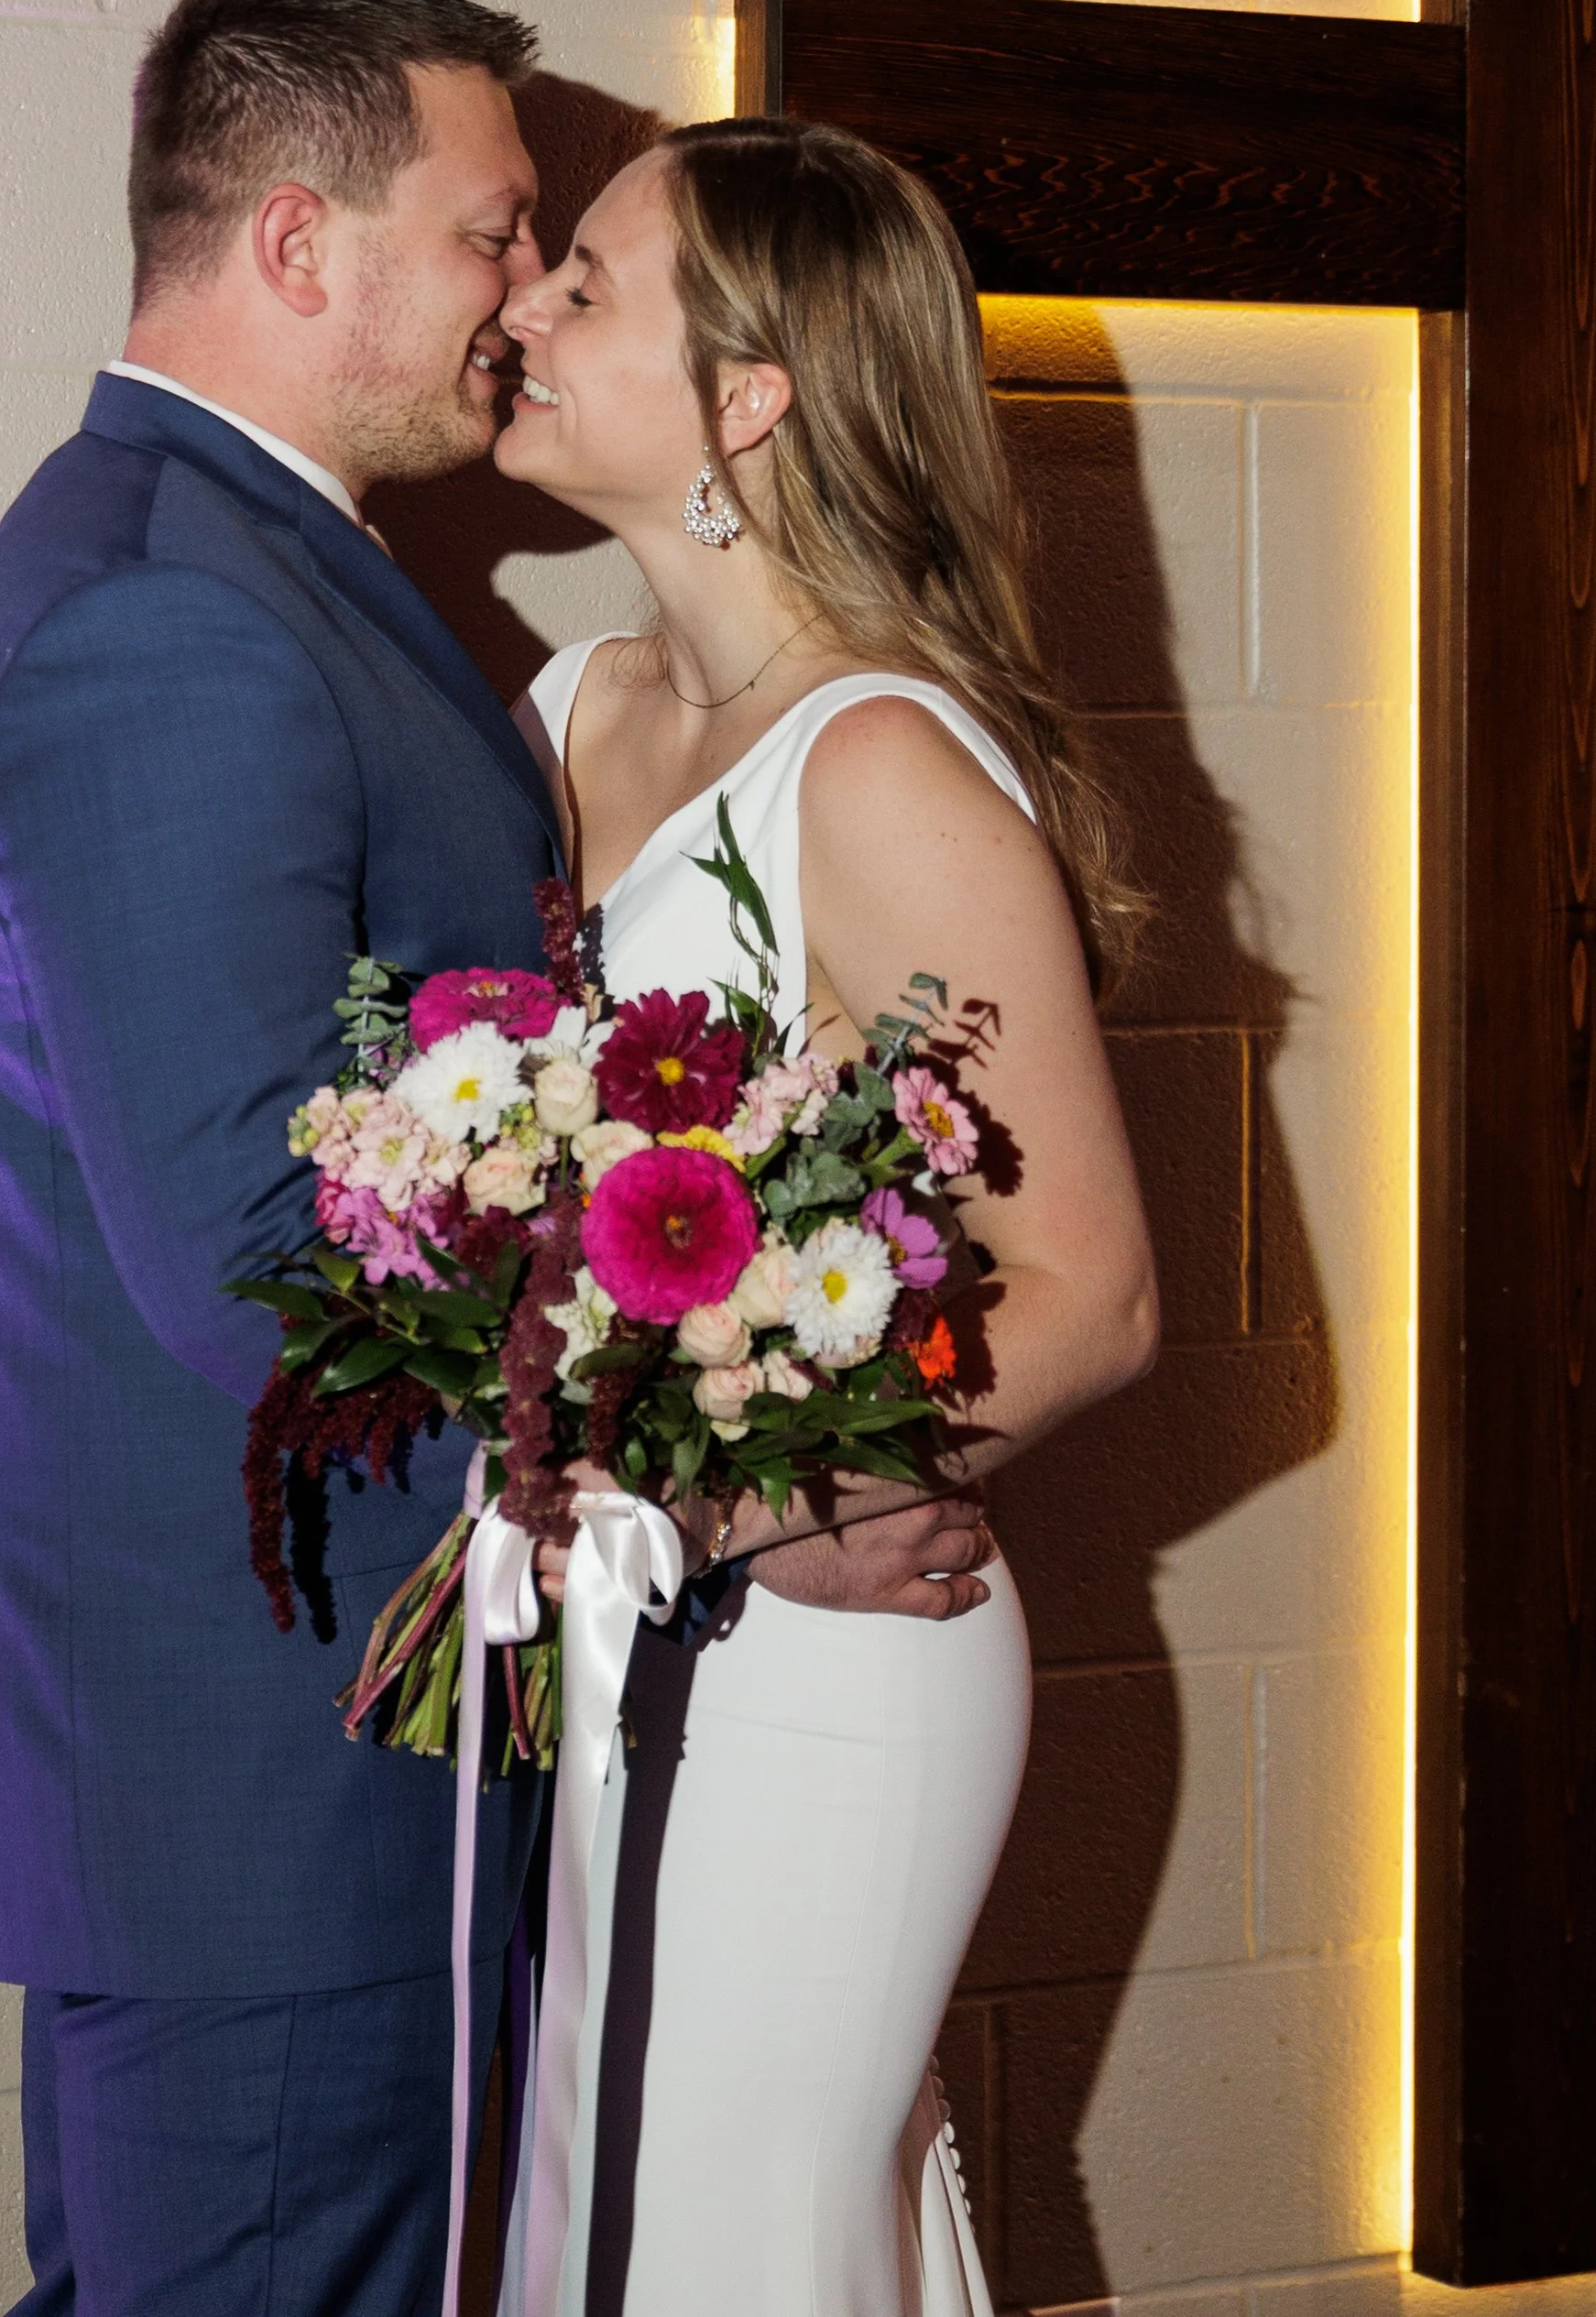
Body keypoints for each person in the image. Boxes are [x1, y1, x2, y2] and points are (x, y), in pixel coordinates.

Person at [0, 0, 987, 2317]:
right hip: (267, 1778)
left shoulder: (218, 568)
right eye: (494, 231)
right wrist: (717, 1502)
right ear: (302, 246)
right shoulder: (180, 622)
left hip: (244, 1759)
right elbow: (260, 1246)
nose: (521, 291)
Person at [494, 113, 1162, 2317]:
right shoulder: (562, 711)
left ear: (750, 394)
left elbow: (1092, 1289)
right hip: (603, 1632)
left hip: (825, 1654)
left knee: (738, 2246)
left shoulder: (876, 766)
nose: (522, 306)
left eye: (585, 285)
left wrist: (782, 1494)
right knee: (600, 2229)